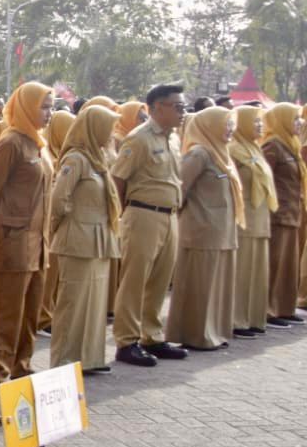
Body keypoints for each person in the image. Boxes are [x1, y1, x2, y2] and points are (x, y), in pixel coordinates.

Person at [0, 83, 54, 397]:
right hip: (11, 240)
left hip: (36, 242)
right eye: (44, 107)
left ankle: (22, 366)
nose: (50, 113)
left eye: (52, 106)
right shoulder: (11, 143)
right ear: (26, 107)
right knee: (6, 309)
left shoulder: (38, 143)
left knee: (30, 310)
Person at [111, 83, 187, 367]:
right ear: (156, 108)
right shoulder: (139, 139)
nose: (183, 112)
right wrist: (121, 217)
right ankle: (127, 341)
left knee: (160, 279)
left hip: (169, 215)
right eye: (177, 106)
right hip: (142, 215)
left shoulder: (174, 139)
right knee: (134, 280)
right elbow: (118, 180)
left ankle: (152, 336)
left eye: (183, 106)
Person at [49, 105, 121, 374]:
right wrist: (68, 222)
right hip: (78, 237)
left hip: (99, 238)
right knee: (73, 303)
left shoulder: (99, 159)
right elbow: (59, 199)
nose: (113, 133)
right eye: (109, 127)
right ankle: (64, 360)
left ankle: (88, 357)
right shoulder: (76, 159)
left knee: (93, 301)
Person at [166, 107, 241, 350]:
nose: (230, 129)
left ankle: (213, 331)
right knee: (201, 285)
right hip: (202, 231)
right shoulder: (199, 154)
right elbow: (180, 190)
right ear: (209, 126)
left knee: (217, 284)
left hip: (222, 231)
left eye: (231, 124)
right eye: (225, 124)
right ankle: (196, 334)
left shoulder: (222, 154)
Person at [230, 106, 275, 336]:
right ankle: (237, 320)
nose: (260, 126)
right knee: (242, 272)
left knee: (257, 270)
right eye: (255, 122)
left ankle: (253, 318)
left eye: (260, 122)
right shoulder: (233, 150)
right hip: (244, 219)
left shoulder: (255, 148)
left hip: (260, 217)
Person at [262, 103, 306, 326]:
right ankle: (268, 310)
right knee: (274, 264)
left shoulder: (292, 144)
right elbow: (264, 180)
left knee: (289, 265)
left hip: (292, 212)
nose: (300, 123)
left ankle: (285, 307)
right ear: (282, 120)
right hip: (278, 214)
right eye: (295, 118)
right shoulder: (273, 145)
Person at [37, 108, 77, 334]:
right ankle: (43, 315)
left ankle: (50, 311)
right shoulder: (46, 155)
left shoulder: (66, 155)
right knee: (48, 272)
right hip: (48, 221)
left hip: (60, 223)